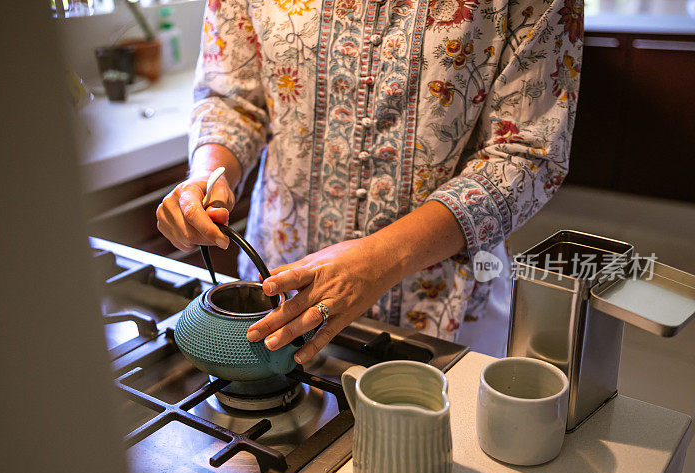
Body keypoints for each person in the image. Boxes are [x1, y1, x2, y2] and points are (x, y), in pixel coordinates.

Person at [156, 0, 583, 363]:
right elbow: (232, 100)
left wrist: (382, 259)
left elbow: (527, 151)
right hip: (280, 296)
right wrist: (208, 175)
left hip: (440, 310)